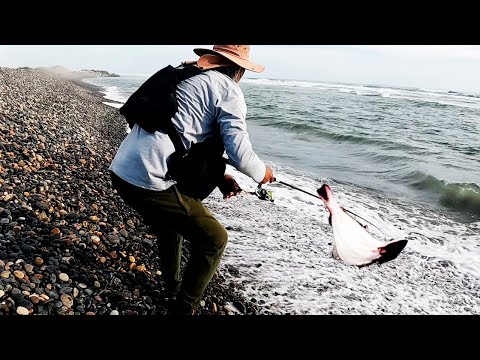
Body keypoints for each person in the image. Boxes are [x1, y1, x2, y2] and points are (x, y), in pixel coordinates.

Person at [109, 45, 275, 315]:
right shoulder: (228, 89)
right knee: (215, 238)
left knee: (170, 223)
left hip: (121, 169)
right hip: (145, 180)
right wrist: (263, 173)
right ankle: (184, 308)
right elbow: (240, 153)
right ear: (240, 70)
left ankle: (172, 289)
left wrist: (221, 177)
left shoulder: (187, 75)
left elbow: (187, 137)